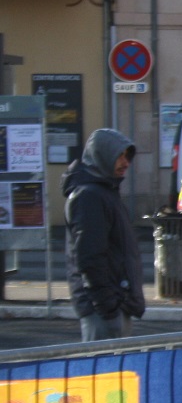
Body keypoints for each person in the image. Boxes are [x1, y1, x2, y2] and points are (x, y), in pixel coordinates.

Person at [63, 128, 146, 341]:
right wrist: (108, 307)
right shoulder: (89, 196)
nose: (125, 162)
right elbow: (89, 257)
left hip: (113, 305)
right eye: (119, 155)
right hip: (103, 310)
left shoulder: (104, 192)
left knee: (112, 371)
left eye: (127, 156)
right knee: (102, 371)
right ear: (102, 155)